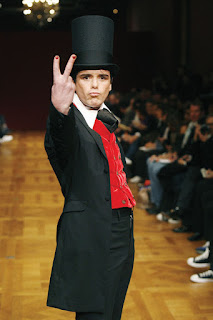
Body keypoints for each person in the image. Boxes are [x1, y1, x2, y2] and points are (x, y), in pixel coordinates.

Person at [44, 16, 136, 320]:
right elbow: (61, 141)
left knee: (112, 312)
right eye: (86, 77)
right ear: (74, 82)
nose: (95, 85)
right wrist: (59, 110)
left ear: (111, 83)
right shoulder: (71, 125)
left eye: (102, 77)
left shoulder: (108, 121)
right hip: (91, 233)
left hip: (122, 231)